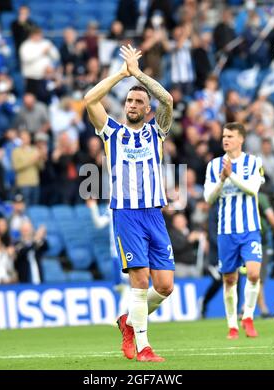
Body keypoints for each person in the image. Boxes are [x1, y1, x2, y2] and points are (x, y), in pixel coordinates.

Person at [84, 44, 174, 362]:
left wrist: (139, 75)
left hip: (154, 213)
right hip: (126, 214)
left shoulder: (156, 132)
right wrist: (120, 74)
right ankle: (144, 345)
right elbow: (89, 100)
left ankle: (128, 321)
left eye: (139, 101)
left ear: (147, 109)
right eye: (130, 100)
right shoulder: (111, 132)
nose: (133, 104)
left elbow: (168, 100)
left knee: (165, 286)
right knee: (140, 279)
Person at [204, 122, 264, 339]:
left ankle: (247, 316)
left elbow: (253, 189)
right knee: (229, 280)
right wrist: (221, 180)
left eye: (230, 136)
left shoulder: (253, 162)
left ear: (241, 139)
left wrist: (231, 176)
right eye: (223, 136)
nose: (225, 139)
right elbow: (208, 198)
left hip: (250, 229)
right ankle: (232, 325)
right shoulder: (214, 166)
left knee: (254, 273)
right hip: (226, 231)